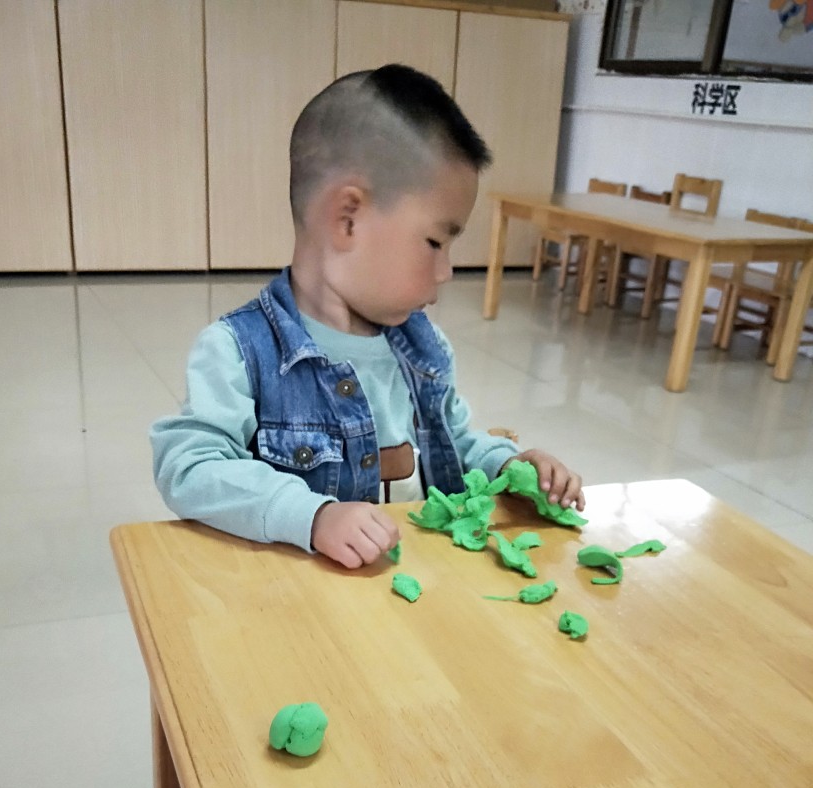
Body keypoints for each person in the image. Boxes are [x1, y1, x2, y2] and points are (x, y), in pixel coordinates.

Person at [150, 64, 584, 570]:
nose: (446, 271)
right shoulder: (238, 351)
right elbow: (189, 468)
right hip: (301, 599)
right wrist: (312, 516)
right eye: (435, 242)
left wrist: (509, 467)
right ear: (348, 219)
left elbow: (456, 442)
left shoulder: (423, 349)